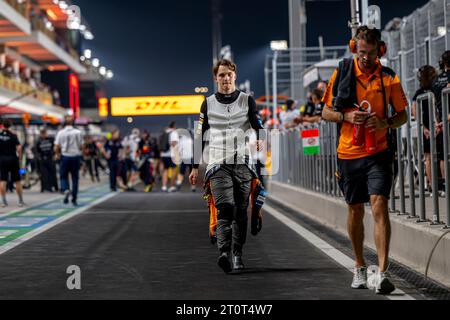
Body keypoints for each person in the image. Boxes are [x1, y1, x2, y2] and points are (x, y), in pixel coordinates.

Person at [321, 26, 408, 295]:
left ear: (380, 50)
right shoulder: (342, 72)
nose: (366, 58)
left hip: (378, 152)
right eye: (361, 52)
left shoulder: (388, 78)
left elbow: (403, 115)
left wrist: (385, 122)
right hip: (348, 153)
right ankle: (359, 266)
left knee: (379, 204)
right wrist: (345, 117)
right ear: (353, 48)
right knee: (355, 210)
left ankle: (382, 273)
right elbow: (324, 112)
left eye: (371, 53)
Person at [189, 59, 265, 274]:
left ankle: (238, 253)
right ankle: (224, 252)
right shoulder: (207, 103)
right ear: (216, 78)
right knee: (225, 207)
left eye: (229, 74)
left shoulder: (247, 100)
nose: (225, 78)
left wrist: (260, 136)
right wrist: (194, 167)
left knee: (241, 211)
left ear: (235, 76)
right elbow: (199, 135)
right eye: (221, 75)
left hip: (242, 162)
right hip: (217, 163)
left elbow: (257, 123)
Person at [412, 65, 445, 195]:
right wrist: (436, 125)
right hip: (434, 125)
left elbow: (415, 112)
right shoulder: (435, 90)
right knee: (436, 156)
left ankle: (432, 186)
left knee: (429, 158)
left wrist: (422, 127)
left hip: (427, 126)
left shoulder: (419, 93)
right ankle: (437, 186)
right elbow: (437, 109)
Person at [54, 115, 82, 206]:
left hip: (65, 157)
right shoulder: (78, 132)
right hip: (75, 157)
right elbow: (81, 146)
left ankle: (65, 189)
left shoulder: (61, 133)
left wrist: (57, 154)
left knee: (63, 176)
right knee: (75, 178)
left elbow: (56, 147)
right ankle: (74, 198)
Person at [0, 119, 25, 207]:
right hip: (13, 159)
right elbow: (19, 148)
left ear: (2, 125)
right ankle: (20, 201)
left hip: (2, 160)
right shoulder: (13, 135)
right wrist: (20, 158)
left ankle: (3, 201)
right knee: (17, 181)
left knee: (3, 180)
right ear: (10, 125)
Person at [159, 122, 179, 193]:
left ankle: (164, 186)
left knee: (165, 170)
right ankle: (172, 186)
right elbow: (174, 143)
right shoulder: (174, 133)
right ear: (174, 126)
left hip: (164, 154)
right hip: (171, 155)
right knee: (174, 170)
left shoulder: (165, 132)